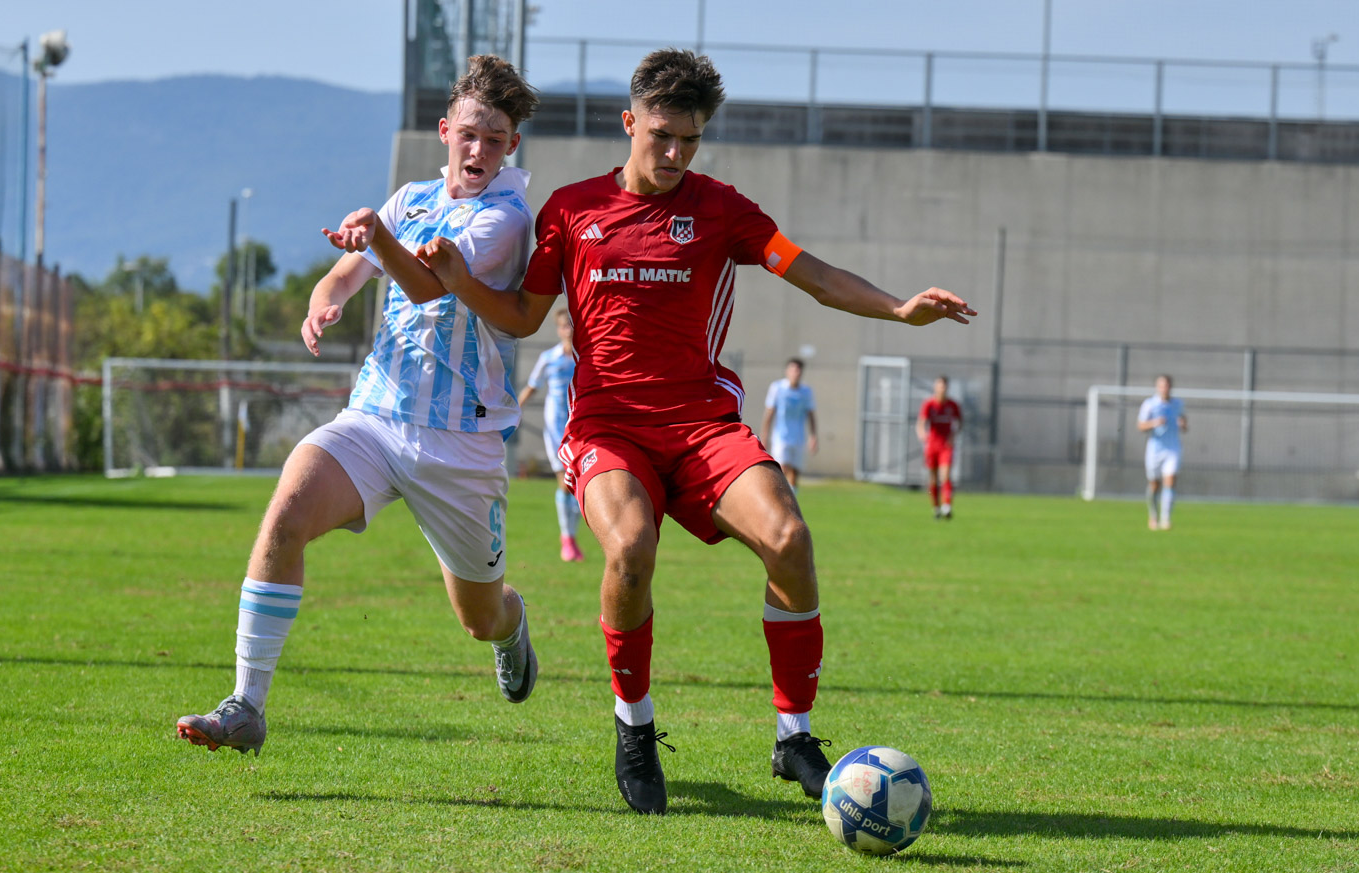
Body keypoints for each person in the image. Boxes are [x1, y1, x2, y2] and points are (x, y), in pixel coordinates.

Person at [416, 49, 974, 814]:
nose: (676, 154)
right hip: (609, 425)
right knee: (631, 549)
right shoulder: (572, 211)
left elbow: (809, 272)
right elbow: (521, 316)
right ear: (630, 122)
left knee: (789, 538)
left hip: (703, 423)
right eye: (663, 135)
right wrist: (460, 282)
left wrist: (900, 308)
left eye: (692, 140)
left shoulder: (721, 209)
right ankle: (635, 727)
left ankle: (794, 735)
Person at [175, 55, 541, 757]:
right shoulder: (408, 199)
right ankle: (246, 703)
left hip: (459, 444)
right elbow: (347, 274)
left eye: (494, 140)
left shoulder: (506, 218)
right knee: (285, 510)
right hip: (375, 416)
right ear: (444, 131)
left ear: (510, 148)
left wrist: (376, 237)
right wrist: (326, 300)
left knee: (479, 614)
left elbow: (431, 284)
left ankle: (513, 624)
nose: (478, 151)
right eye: (469, 134)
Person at [517, 310, 583, 561]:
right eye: (564, 326)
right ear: (558, 329)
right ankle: (568, 539)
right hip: (556, 431)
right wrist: (513, 412)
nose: (568, 330)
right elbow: (531, 387)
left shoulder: (585, 358)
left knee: (577, 486)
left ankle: (571, 539)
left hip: (581, 429)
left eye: (572, 325)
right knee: (566, 484)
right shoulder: (549, 358)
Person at [1137, 374, 1187, 531]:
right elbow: (1140, 426)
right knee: (1154, 485)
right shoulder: (1150, 404)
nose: (1164, 388)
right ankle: (1153, 515)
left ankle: (1166, 519)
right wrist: (1154, 423)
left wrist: (1183, 424)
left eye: (1167, 385)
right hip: (1155, 449)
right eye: (1161, 385)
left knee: (1170, 482)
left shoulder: (1178, 404)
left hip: (1173, 448)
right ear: (1157, 387)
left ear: (1170, 387)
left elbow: (1184, 425)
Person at [760, 358, 817, 492]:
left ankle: (791, 500)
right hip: (781, 437)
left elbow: (811, 414)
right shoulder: (777, 388)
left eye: (798, 370)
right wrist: (765, 435)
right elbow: (769, 413)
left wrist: (813, 436)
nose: (795, 373)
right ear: (787, 371)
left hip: (798, 437)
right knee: (782, 468)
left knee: (794, 473)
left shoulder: (806, 391)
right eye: (792, 369)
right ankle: (781, 499)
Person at [916, 376, 962, 520]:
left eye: (944, 386)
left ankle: (947, 506)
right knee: (933, 480)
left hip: (946, 446)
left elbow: (960, 422)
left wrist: (953, 435)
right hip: (932, 445)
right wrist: (922, 434)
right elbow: (921, 424)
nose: (942, 388)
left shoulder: (953, 405)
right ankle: (935, 507)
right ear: (935, 387)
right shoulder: (929, 404)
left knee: (945, 476)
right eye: (939, 385)